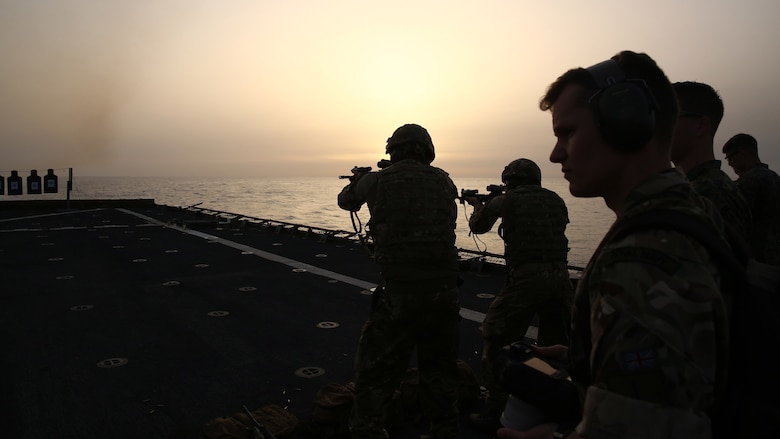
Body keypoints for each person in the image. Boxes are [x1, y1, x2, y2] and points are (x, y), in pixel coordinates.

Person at [497, 51, 730, 439]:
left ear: (626, 123)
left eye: (568, 132)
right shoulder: (693, 210)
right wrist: (591, 359)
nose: (556, 154)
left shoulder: (642, 260)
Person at [337, 123, 462, 439]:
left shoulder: (378, 181)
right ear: (426, 151)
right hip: (445, 291)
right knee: (440, 368)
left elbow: (345, 201)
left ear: (393, 150)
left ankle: (366, 429)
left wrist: (358, 181)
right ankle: (444, 429)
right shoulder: (445, 181)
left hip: (401, 293)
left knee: (375, 370)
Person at [463, 158, 574, 433]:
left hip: (527, 278)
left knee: (497, 335)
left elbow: (477, 226)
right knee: (552, 346)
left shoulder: (506, 200)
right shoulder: (556, 199)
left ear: (510, 179)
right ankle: (548, 409)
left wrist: (479, 206)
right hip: (561, 277)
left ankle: (496, 409)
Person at [670, 81, 751, 240]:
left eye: (670, 116)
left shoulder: (710, 193)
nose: (659, 126)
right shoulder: (695, 187)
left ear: (700, 125)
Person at [722, 133, 780, 266]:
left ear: (742, 153)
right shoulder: (775, 178)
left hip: (755, 260)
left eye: (730, 157)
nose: (729, 163)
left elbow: (735, 220)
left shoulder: (750, 180)